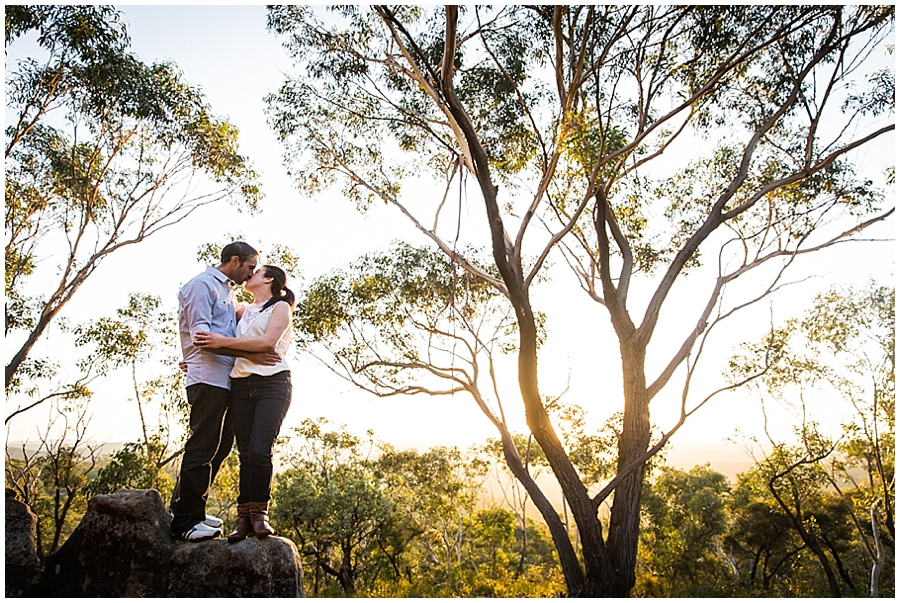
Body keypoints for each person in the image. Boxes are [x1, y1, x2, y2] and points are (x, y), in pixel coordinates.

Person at [170, 242, 280, 542]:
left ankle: (191, 509)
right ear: (234, 260)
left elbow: (228, 335)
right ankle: (184, 523)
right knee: (202, 447)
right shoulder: (201, 286)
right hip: (208, 377)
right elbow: (203, 337)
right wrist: (252, 356)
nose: (250, 274)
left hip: (227, 379)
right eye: (248, 267)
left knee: (218, 449)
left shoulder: (227, 292)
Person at [194, 265, 294, 541]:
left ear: (270, 279)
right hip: (240, 384)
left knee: (261, 451)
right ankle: (243, 518)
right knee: (246, 453)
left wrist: (221, 341)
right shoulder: (242, 310)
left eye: (257, 271)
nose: (250, 274)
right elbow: (222, 340)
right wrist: (196, 357)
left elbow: (267, 342)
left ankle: (260, 514)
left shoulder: (281, 307)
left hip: (272, 384)